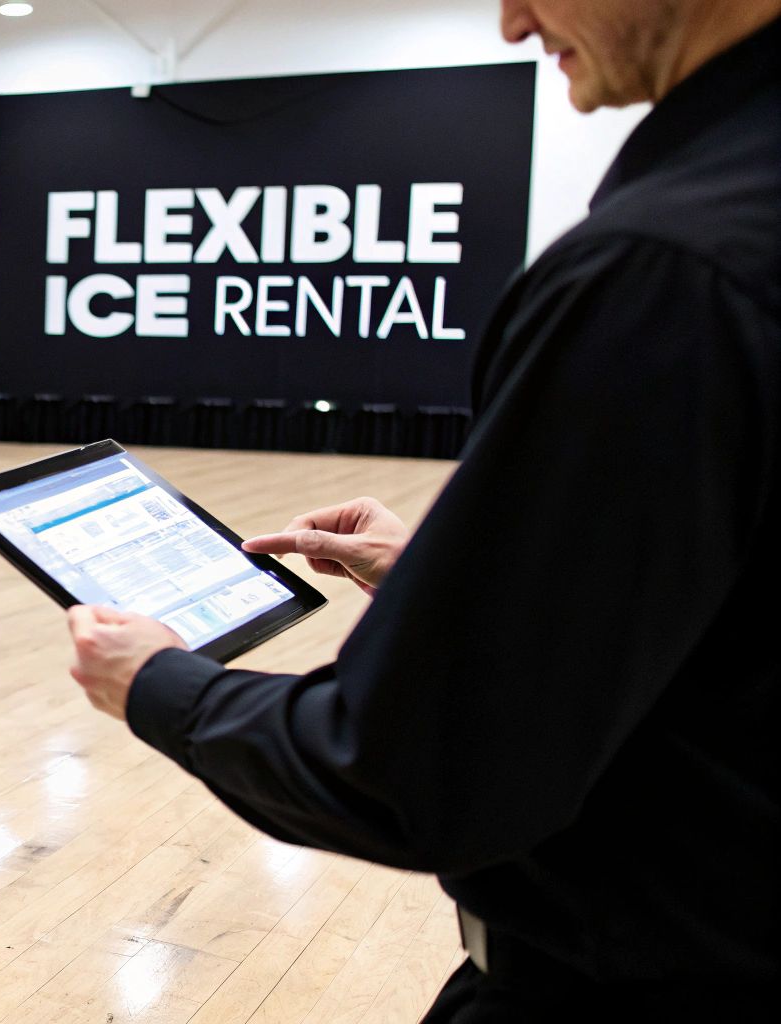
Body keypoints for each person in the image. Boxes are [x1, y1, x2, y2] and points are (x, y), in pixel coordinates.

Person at [64, 0, 780, 1018]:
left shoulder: (665, 268)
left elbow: (409, 770)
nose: (511, 21)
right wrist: (481, 575)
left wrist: (156, 683)